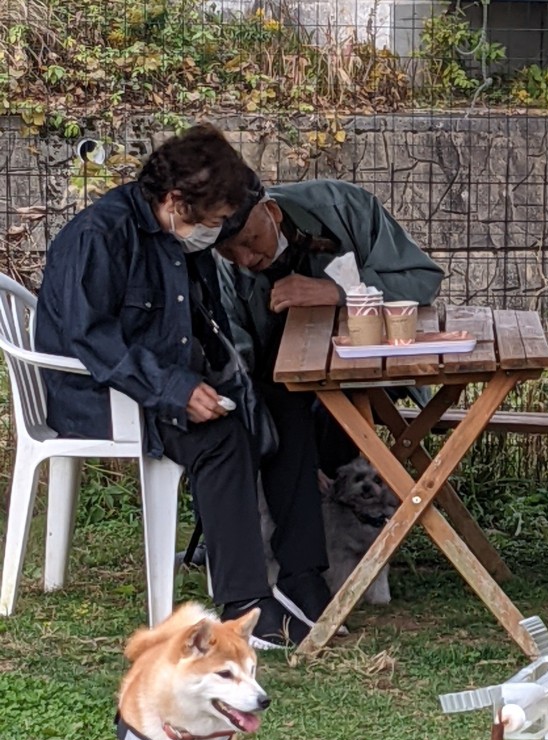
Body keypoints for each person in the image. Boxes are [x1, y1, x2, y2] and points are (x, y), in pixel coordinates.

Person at [35, 125, 332, 649]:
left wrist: (231, 379)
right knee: (220, 441)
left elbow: (201, 323)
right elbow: (92, 339)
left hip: (156, 380)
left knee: (284, 406)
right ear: (176, 200)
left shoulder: (179, 236)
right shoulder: (99, 236)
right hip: (99, 396)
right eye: (215, 220)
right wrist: (175, 389)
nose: (216, 234)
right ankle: (244, 606)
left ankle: (304, 579)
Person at [212, 176, 444, 474]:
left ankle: (343, 506)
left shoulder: (346, 207)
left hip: (370, 373)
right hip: (279, 391)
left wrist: (338, 292)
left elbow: (422, 279)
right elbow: (235, 360)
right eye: (229, 252)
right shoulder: (218, 267)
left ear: (272, 212)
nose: (244, 258)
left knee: (333, 408)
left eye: (249, 241)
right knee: (287, 414)